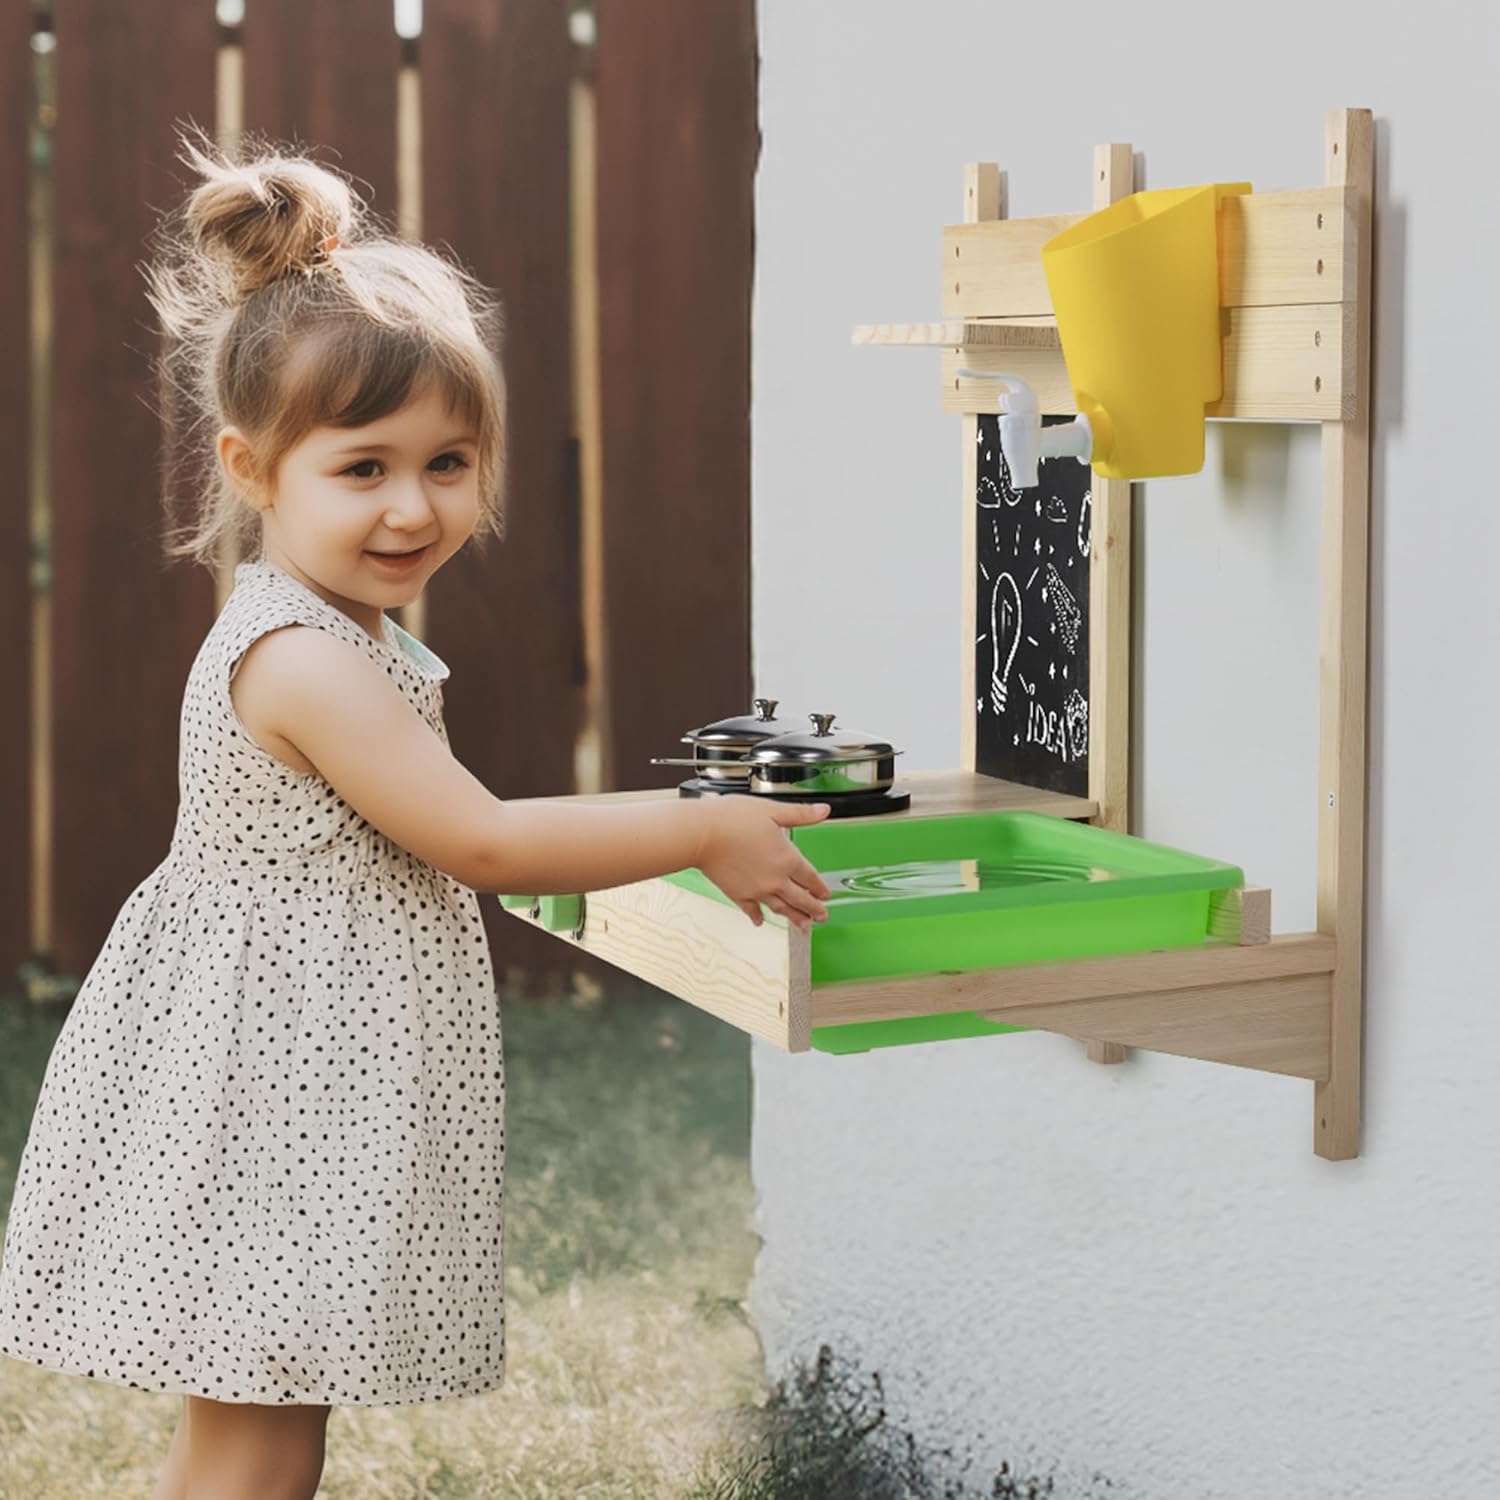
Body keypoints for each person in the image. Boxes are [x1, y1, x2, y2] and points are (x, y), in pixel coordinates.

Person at [0, 124, 832, 1500]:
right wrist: (703, 825)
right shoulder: (305, 658)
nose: (412, 506)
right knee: (260, 1433)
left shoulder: (332, 626)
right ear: (253, 470)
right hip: (274, 1080)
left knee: (264, 1418)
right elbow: (483, 840)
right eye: (363, 467)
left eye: (448, 462)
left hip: (292, 1061)